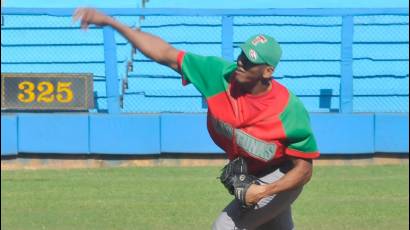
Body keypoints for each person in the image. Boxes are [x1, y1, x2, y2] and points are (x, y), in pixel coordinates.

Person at [73, 8, 320, 230]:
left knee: (225, 227)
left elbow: (304, 170)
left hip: (280, 176)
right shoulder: (217, 75)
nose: (241, 63)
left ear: (267, 71)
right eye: (242, 55)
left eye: (251, 60)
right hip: (249, 171)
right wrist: (111, 22)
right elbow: (165, 53)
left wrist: (265, 190)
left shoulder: (288, 111)